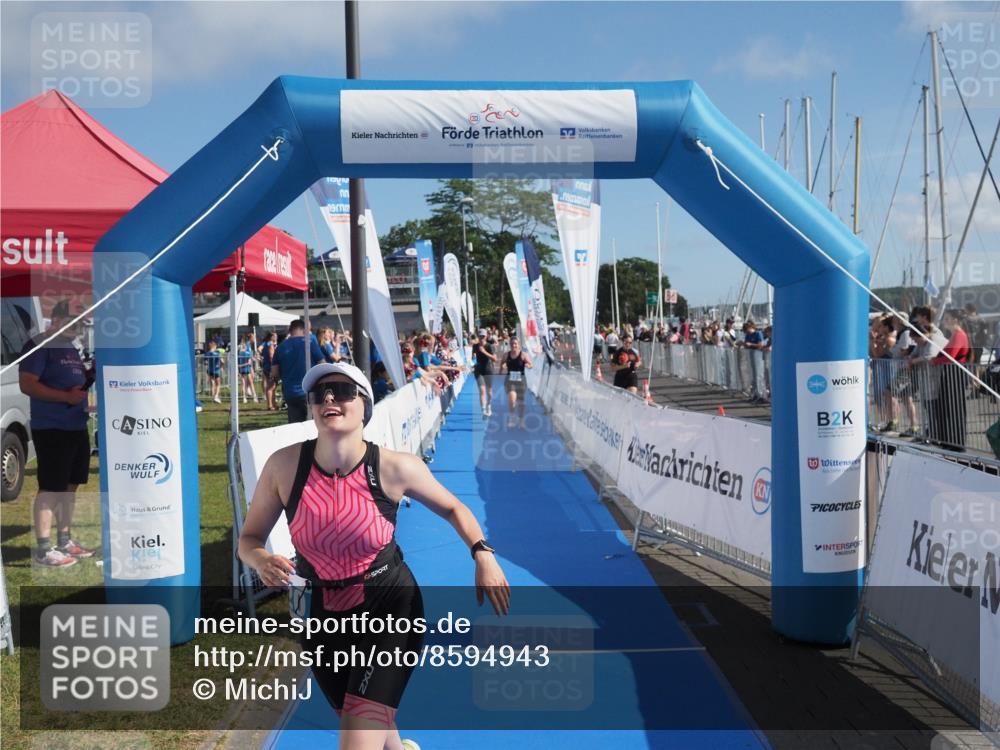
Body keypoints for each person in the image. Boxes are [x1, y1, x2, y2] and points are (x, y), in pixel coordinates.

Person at [238, 362, 509, 749]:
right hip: (325, 614)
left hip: (391, 608)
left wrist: (482, 554)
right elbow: (248, 539)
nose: (330, 398)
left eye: (342, 391)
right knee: (371, 728)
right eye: (320, 394)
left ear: (364, 405)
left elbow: (454, 508)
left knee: (358, 738)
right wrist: (261, 560)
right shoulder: (283, 466)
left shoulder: (395, 467)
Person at [18, 300, 97, 567]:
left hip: (76, 425)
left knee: (70, 487)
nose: (78, 327)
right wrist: (65, 396)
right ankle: (43, 549)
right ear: (57, 319)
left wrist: (91, 374)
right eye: (74, 322)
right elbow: (27, 384)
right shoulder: (40, 345)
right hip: (52, 427)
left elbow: (74, 384)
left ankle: (65, 541)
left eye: (81, 323)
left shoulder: (70, 348)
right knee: (50, 488)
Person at [270, 320, 326, 423]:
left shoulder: (280, 347)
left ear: (290, 330)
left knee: (295, 428)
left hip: (290, 393)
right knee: (313, 426)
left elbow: (274, 373)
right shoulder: (309, 343)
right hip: (309, 390)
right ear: (303, 329)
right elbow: (323, 364)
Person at [931, 309, 971, 450]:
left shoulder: (959, 335)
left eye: (947, 319)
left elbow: (951, 356)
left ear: (955, 320)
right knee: (947, 407)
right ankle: (949, 440)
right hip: (949, 374)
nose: (944, 321)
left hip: (956, 374)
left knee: (955, 408)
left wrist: (934, 361)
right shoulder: (955, 335)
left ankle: (957, 442)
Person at [499, 337, 533, 427]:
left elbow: (531, 364)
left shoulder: (523, 355)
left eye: (515, 344)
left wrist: (527, 365)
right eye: (512, 344)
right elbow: (502, 364)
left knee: (521, 403)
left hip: (521, 381)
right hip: (510, 381)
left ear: (519, 345)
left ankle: (521, 419)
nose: (514, 345)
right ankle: (512, 417)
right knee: (512, 399)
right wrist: (502, 369)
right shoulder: (506, 355)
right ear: (510, 345)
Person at [471, 333, 497, 418]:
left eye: (483, 336)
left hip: (488, 370)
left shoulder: (490, 346)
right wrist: (473, 363)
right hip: (479, 370)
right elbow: (472, 357)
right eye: (480, 336)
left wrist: (484, 352)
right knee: (482, 390)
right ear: (478, 337)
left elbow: (494, 359)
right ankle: (483, 411)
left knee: (489, 392)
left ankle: (488, 406)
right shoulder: (475, 346)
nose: (481, 338)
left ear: (486, 337)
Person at [259, 331, 279, 411]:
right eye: (275, 336)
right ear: (272, 337)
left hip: (266, 367)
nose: (276, 337)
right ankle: (270, 405)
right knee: (271, 387)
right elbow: (271, 357)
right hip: (270, 367)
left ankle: (273, 404)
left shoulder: (266, 344)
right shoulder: (270, 345)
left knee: (272, 386)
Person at [238, 333, 258, 404]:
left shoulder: (244, 349)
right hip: (245, 367)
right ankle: (250, 397)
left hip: (245, 367)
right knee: (246, 382)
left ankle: (248, 396)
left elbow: (250, 358)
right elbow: (249, 359)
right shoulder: (245, 348)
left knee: (247, 382)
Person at [204, 339, 223, 404]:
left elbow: (205, 362)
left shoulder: (207, 353)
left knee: (212, 384)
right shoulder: (217, 353)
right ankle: (216, 396)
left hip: (210, 370)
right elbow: (222, 361)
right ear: (214, 346)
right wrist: (220, 366)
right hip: (216, 370)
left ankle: (213, 398)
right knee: (218, 384)